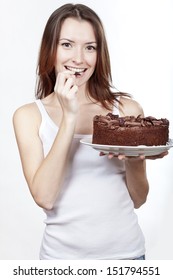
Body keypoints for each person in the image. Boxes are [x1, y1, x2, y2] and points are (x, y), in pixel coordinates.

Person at [13, 3, 168, 260]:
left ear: (99, 53)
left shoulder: (127, 110)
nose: (79, 58)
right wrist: (69, 116)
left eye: (90, 47)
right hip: (60, 262)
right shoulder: (28, 116)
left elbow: (139, 199)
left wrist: (134, 161)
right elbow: (45, 197)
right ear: (50, 49)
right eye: (67, 44)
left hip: (127, 258)